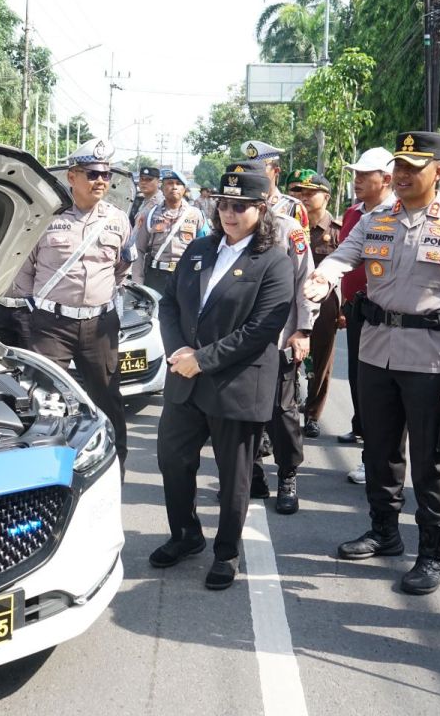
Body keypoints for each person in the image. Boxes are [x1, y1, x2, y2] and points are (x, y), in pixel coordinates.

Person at [303, 131, 440, 595]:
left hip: (433, 362)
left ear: (439, 172)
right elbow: (343, 258)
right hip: (375, 353)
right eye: (398, 168)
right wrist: (322, 278)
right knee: (380, 450)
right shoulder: (376, 219)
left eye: (413, 168)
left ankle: (432, 553)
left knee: (432, 460)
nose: (401, 176)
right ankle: (384, 532)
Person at [150, 164, 293, 589]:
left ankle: (226, 552)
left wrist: (203, 359)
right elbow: (169, 305)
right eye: (223, 205)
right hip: (186, 378)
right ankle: (186, 535)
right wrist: (178, 350)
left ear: (261, 209)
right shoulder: (200, 250)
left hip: (236, 384)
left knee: (234, 477)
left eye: (241, 207)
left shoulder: (274, 262)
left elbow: (261, 330)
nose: (229, 213)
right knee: (173, 461)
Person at [14, 138, 131, 471]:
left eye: (106, 175)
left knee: (109, 401)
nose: (101, 182)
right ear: (72, 176)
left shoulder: (118, 220)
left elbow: (121, 269)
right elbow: (25, 270)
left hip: (100, 327)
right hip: (52, 326)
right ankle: (39, 470)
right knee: (42, 400)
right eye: (92, 174)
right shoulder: (47, 216)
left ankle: (113, 470)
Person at [231, 162, 316, 515]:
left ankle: (287, 475)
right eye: (230, 203)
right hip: (236, 341)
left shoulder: (288, 229)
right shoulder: (226, 233)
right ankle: (251, 474)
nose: (233, 212)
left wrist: (304, 329)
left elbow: (306, 283)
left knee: (282, 413)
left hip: (278, 339)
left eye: (244, 202)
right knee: (239, 412)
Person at [336, 147, 396, 483]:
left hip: (385, 316)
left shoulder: (395, 214)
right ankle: (367, 442)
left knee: (380, 391)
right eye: (356, 174)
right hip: (356, 310)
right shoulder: (353, 213)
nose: (357, 180)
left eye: (364, 175)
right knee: (361, 383)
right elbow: (344, 257)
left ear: (385, 179)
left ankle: (373, 458)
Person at [290, 172, 342, 438]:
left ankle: (312, 414)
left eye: (311, 192)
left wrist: (342, 308)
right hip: (291, 303)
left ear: (327, 196)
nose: (305, 197)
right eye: (301, 192)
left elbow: (347, 270)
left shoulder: (337, 230)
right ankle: (286, 410)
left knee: (321, 361)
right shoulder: (290, 226)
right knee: (288, 358)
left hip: (324, 306)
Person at [133, 169, 209, 296]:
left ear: (184, 189)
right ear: (162, 188)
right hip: (157, 276)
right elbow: (139, 249)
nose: (174, 187)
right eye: (169, 183)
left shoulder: (196, 215)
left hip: (186, 275)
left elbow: (206, 249)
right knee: (157, 315)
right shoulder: (149, 215)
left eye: (178, 184)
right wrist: (138, 282)